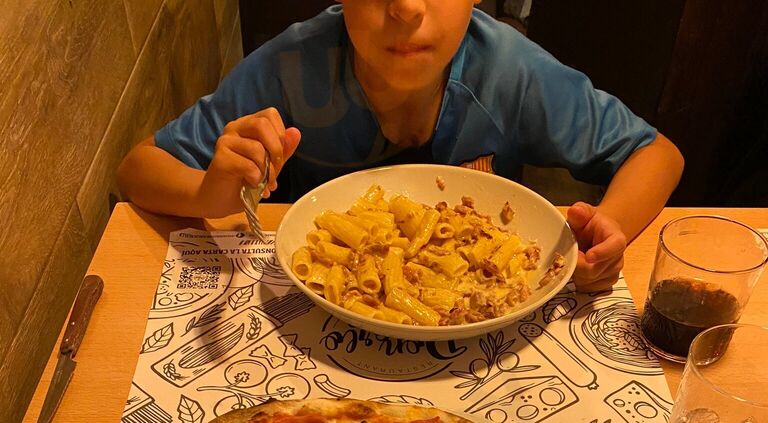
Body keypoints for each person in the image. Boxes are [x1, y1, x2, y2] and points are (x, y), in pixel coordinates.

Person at [117, 1, 684, 290]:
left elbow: (656, 154)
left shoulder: (511, 72)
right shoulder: (293, 68)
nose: (408, 8)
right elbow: (138, 169)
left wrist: (609, 225)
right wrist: (210, 192)